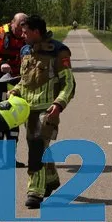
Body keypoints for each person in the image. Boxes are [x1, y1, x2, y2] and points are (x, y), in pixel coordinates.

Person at [10, 14, 76, 209]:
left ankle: (35, 192)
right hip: (27, 111)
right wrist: (15, 91)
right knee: (41, 147)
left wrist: (59, 104)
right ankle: (51, 179)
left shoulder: (59, 51)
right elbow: (25, 81)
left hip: (47, 111)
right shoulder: (25, 51)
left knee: (36, 147)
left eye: (25, 32)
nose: (22, 35)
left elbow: (69, 83)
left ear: (36, 32)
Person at [0, 12, 28, 167]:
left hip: (17, 78)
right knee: (0, 114)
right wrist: (0, 63)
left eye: (24, 29)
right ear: (12, 23)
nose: (21, 32)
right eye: (19, 28)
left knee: (15, 115)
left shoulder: (26, 35)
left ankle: (10, 158)